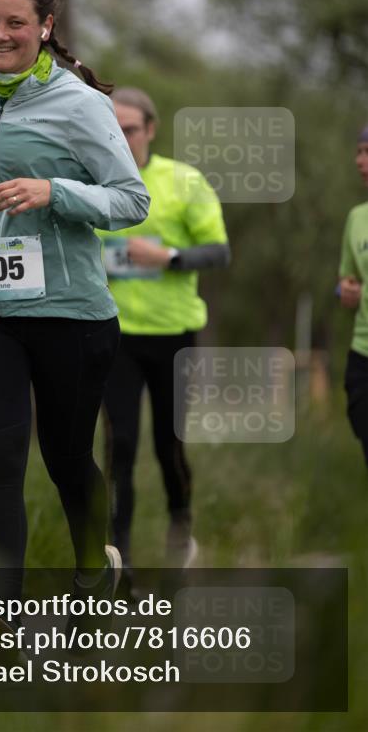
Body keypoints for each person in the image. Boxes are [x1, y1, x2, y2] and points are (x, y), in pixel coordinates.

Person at [0, 0, 149, 623]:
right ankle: (2, 615)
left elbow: (129, 199)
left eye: (15, 22)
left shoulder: (80, 106)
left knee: (66, 459)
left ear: (45, 28)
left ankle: (91, 573)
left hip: (69, 313)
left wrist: (54, 191)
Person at [97, 87, 230, 581]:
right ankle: (121, 560)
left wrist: (168, 258)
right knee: (119, 445)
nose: (122, 136)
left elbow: (218, 252)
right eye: (113, 127)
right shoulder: (92, 179)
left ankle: (180, 532)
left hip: (173, 337)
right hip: (114, 336)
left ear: (150, 130)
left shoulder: (183, 181)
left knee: (167, 445)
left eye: (130, 128)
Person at [337, 124, 368, 467]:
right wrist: (345, 290)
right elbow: (346, 278)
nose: (360, 161)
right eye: (359, 152)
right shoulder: (357, 218)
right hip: (363, 356)